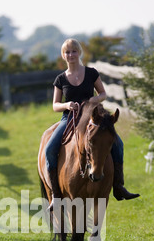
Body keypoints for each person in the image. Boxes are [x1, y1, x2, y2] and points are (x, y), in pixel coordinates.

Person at [45, 38, 140, 210]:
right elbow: (55, 105)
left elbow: (103, 93)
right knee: (49, 149)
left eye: (74, 51)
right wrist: (67, 105)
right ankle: (56, 195)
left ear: (79, 53)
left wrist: (92, 100)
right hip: (69, 118)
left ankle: (118, 186)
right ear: (63, 56)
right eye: (67, 52)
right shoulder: (60, 79)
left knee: (118, 145)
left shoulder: (91, 73)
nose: (71, 54)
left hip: (93, 117)